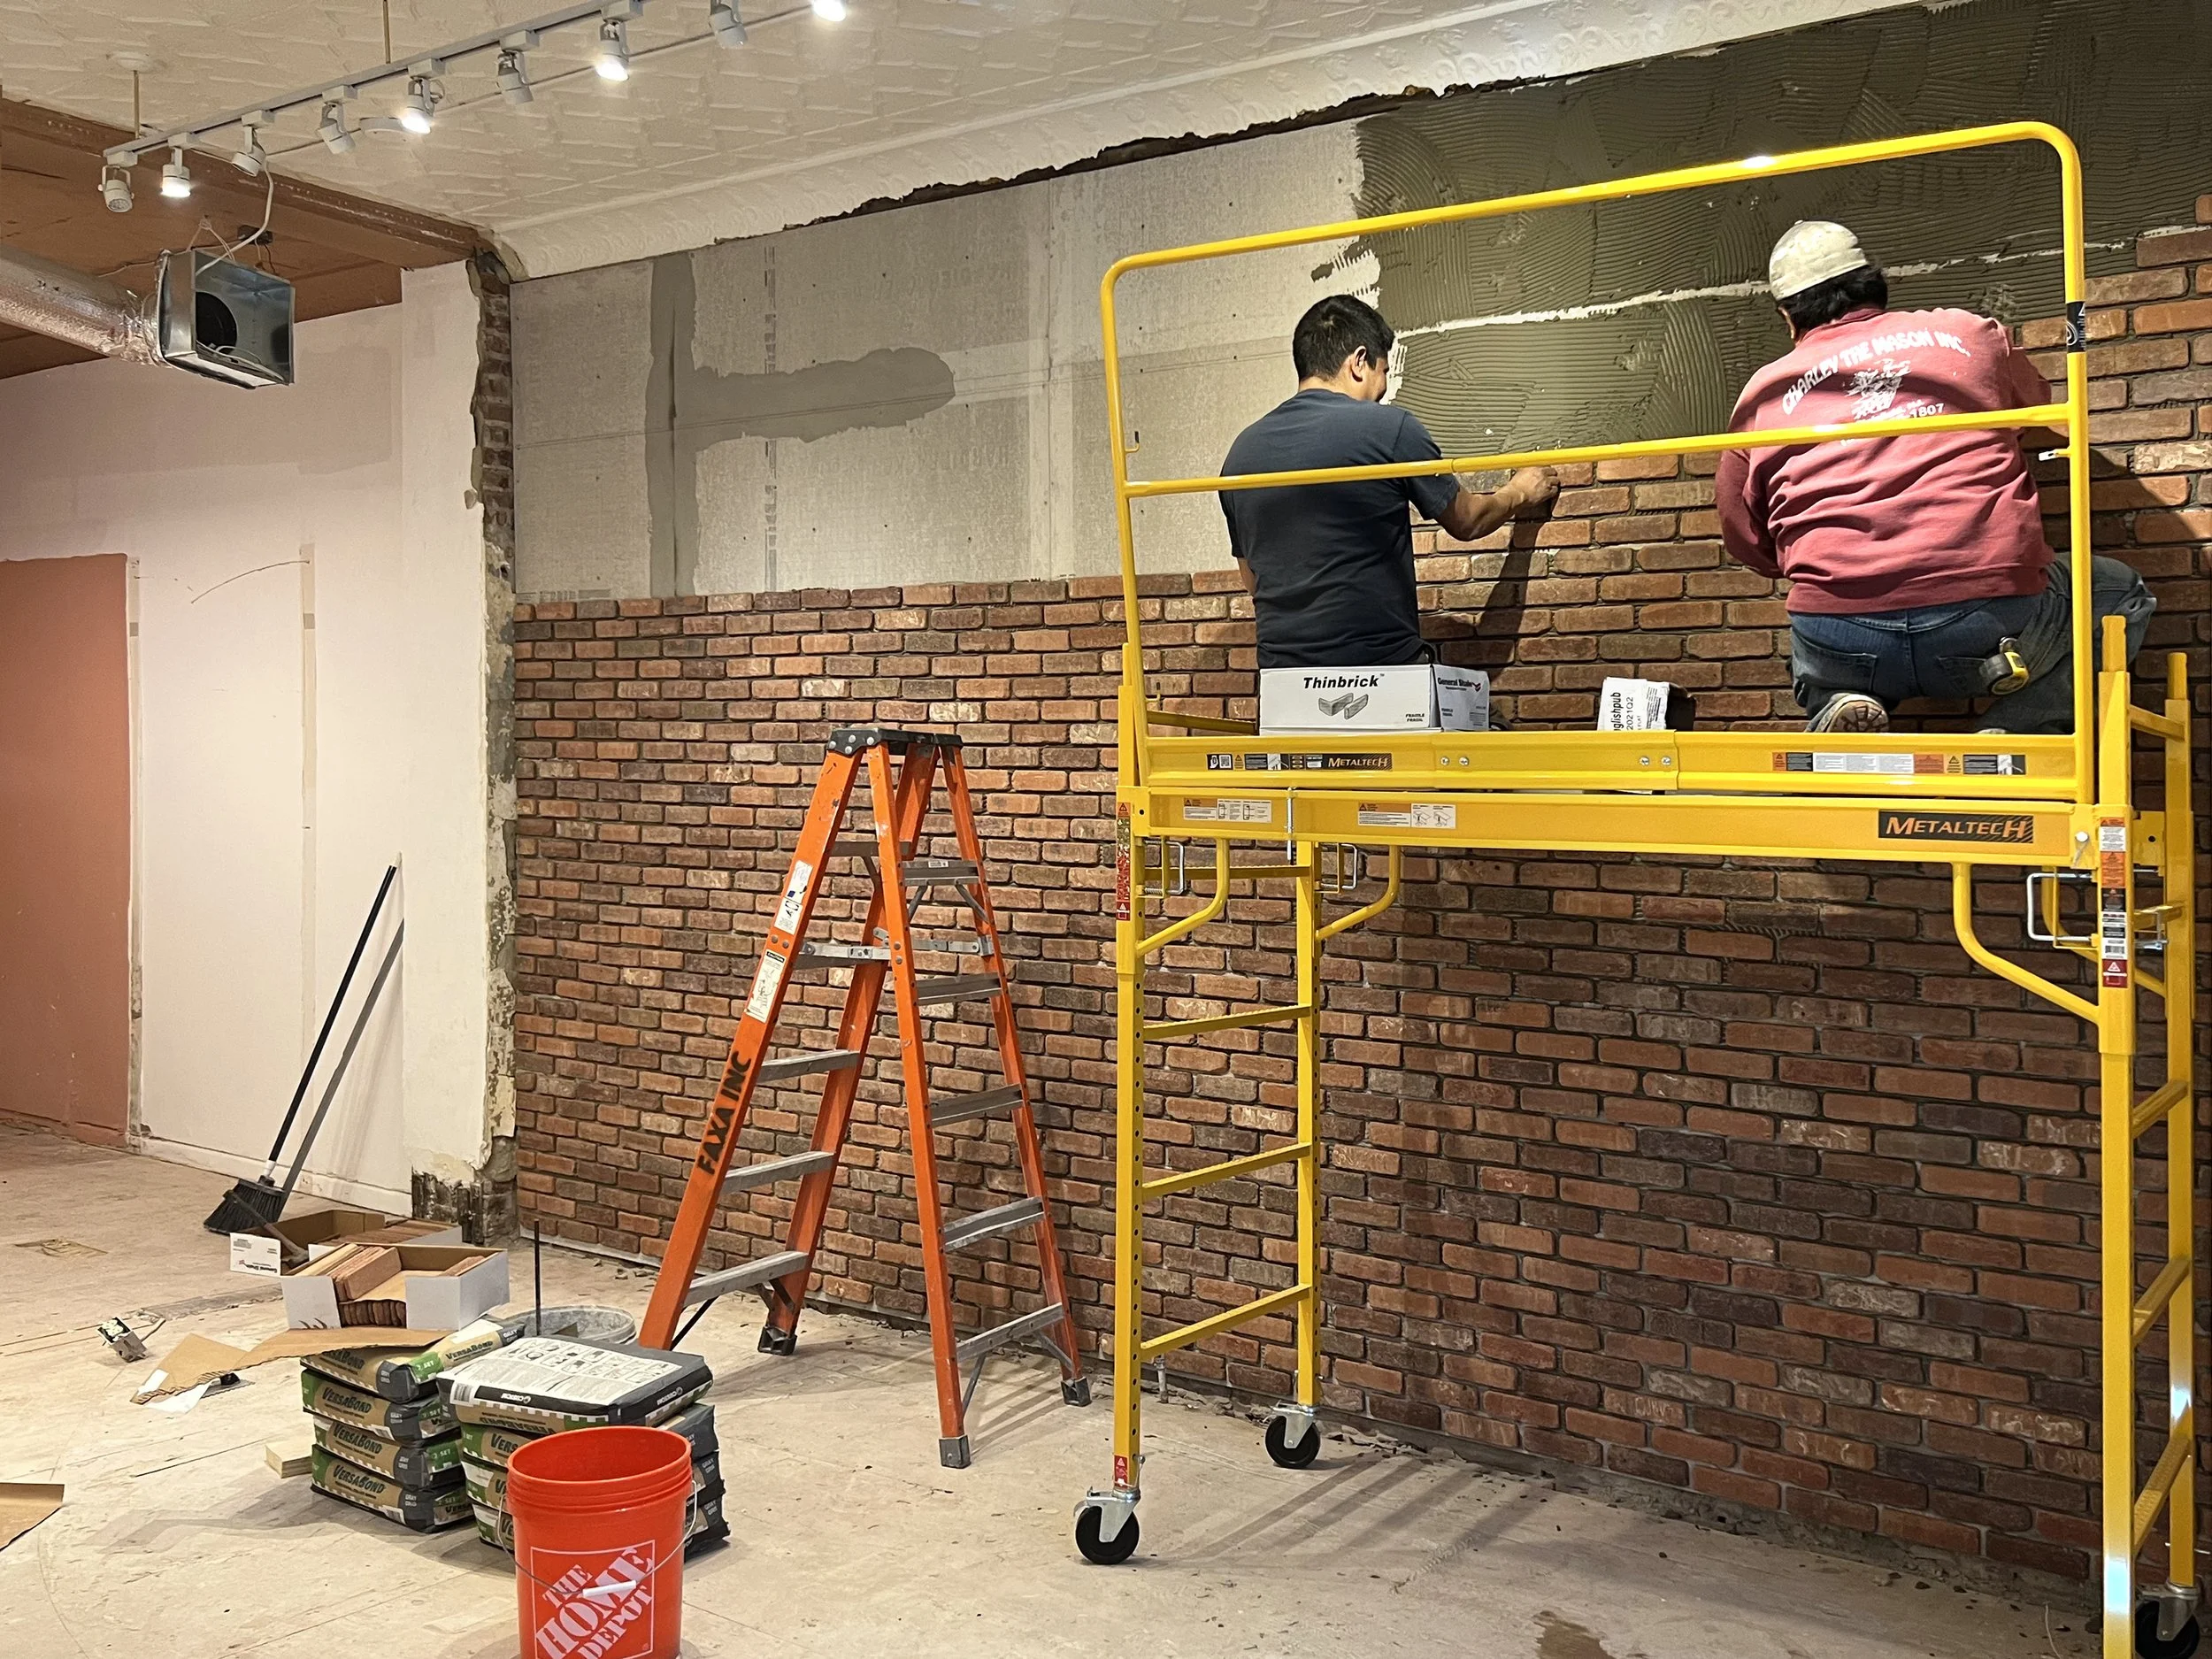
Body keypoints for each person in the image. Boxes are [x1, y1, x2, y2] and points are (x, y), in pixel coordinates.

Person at [1717, 220, 2152, 734]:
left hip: (1840, 631)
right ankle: (2019, 735)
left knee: (1817, 641)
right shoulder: (1970, 333)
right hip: (1988, 625)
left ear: (1788, 316)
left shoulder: (1764, 391)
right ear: (1875, 285)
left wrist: (1820, 567)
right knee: (2118, 591)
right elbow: (2035, 404)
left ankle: (1839, 693)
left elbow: (1741, 531)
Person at [1221, 295, 1558, 669]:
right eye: (1383, 371)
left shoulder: (1241, 454)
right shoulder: (1389, 428)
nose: (1383, 389)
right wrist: (1519, 492)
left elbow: (1253, 581)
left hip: (1282, 680)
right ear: (1359, 361)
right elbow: (1468, 520)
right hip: (1380, 673)